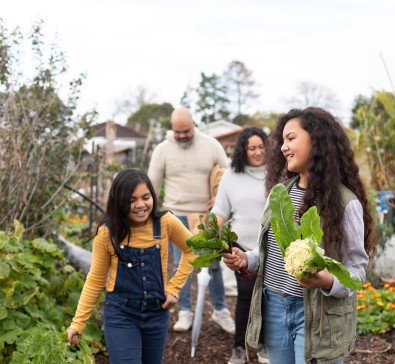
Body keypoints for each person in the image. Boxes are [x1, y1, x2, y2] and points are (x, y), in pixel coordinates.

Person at [223, 107, 376, 364]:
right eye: (282, 141)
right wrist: (245, 259)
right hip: (273, 308)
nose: (283, 147)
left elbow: (357, 272)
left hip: (316, 316)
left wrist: (328, 281)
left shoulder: (346, 203)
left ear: (316, 140)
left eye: (291, 138)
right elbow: (271, 255)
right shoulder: (278, 194)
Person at [66, 168, 197, 363]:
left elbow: (192, 249)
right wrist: (78, 323)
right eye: (131, 200)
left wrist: (174, 288)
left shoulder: (165, 222)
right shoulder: (107, 232)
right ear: (119, 201)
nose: (140, 205)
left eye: (146, 197)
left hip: (156, 312)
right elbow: (95, 280)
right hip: (121, 314)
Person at [148, 108, 235, 334]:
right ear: (172, 129)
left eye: (186, 131)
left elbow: (227, 176)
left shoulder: (212, 145)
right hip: (176, 215)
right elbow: (151, 186)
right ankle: (184, 310)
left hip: (209, 215)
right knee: (182, 266)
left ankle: (220, 310)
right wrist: (149, 216)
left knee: (214, 265)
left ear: (194, 124)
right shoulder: (162, 150)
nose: (182, 136)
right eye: (177, 132)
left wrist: (220, 197)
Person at [211, 127, 269, 364]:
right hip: (240, 247)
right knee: (246, 296)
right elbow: (220, 210)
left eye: (261, 147)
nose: (257, 152)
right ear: (243, 150)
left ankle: (264, 345)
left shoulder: (278, 173)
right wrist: (209, 232)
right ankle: (240, 348)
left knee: (268, 297)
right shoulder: (231, 176)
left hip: (271, 246)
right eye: (252, 148)